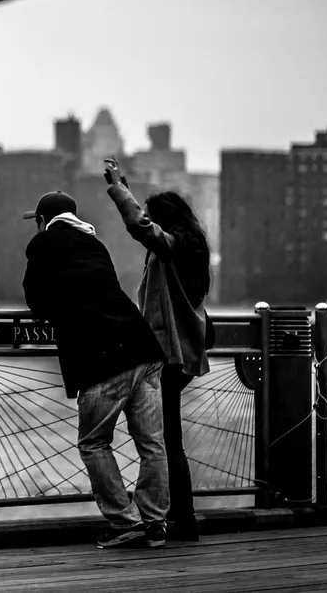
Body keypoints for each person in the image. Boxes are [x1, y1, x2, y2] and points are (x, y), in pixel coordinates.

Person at [22, 190, 171, 549]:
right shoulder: (95, 243)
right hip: (143, 348)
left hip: (103, 356)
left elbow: (35, 298)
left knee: (94, 441)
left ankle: (124, 521)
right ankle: (154, 522)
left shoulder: (43, 244)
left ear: (43, 220)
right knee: (152, 443)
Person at [103, 158, 216, 542]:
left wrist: (119, 188)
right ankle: (174, 516)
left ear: (165, 220)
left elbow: (139, 226)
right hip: (178, 353)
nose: (149, 222)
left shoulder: (174, 247)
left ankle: (179, 518)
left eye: (154, 217)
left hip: (169, 355)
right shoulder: (191, 248)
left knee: (166, 440)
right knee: (166, 437)